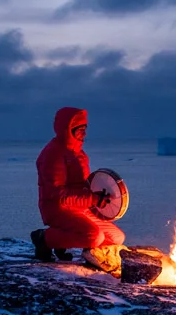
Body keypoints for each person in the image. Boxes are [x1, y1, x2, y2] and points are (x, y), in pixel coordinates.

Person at [32, 106, 124, 272]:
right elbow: (58, 194)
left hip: (81, 207)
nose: (84, 134)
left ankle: (85, 251)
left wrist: (99, 197)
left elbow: (83, 185)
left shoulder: (79, 153)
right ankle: (44, 238)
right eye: (80, 130)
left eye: (85, 129)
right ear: (68, 129)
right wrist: (93, 199)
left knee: (117, 237)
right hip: (58, 208)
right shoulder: (53, 154)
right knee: (94, 236)